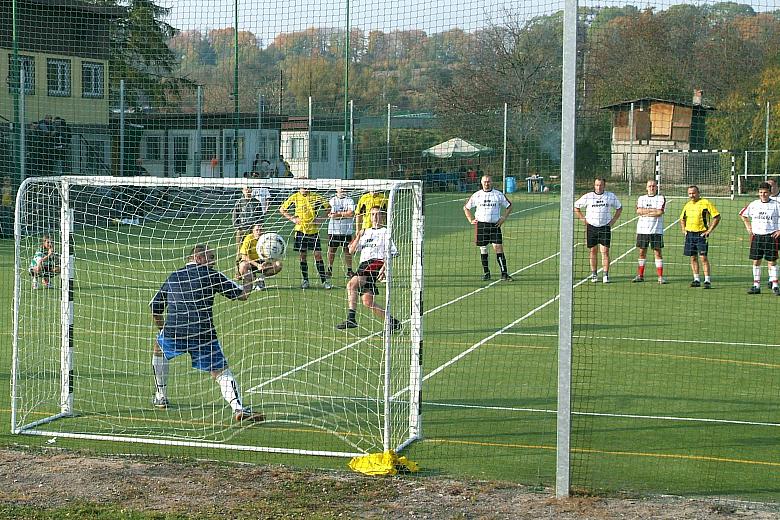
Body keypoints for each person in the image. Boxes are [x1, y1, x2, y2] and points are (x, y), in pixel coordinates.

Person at [149, 244, 263, 422]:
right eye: (211, 257)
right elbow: (242, 294)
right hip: (202, 332)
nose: (214, 261)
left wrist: (162, 329)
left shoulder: (173, 276)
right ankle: (238, 408)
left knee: (159, 349)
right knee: (220, 371)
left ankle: (160, 396)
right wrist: (248, 275)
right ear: (198, 258)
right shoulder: (212, 275)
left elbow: (155, 307)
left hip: (174, 330)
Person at [336, 206, 402, 331]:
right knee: (367, 301)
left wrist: (384, 267)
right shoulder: (365, 232)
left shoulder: (385, 232)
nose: (375, 217)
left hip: (375, 263)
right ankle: (393, 322)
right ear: (369, 217)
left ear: (382, 216)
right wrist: (358, 236)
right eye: (372, 214)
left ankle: (351, 319)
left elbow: (392, 252)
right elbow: (351, 250)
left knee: (351, 285)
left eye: (377, 214)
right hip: (364, 264)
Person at [463, 175, 513, 281]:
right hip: (481, 225)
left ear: (492, 182)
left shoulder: (498, 195)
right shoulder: (477, 195)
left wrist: (503, 217)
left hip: (495, 225)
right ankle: (486, 273)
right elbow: (466, 208)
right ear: (481, 183)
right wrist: (470, 220)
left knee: (498, 248)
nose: (487, 183)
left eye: (489, 181)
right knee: (483, 249)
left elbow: (509, 206)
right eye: (485, 182)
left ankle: (504, 273)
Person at [279, 186, 332, 289]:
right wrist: (292, 219)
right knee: (302, 256)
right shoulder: (294, 197)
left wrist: (321, 219)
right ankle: (305, 280)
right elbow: (282, 209)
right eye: (303, 187)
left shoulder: (316, 197)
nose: (305, 189)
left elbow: (329, 208)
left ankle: (324, 281)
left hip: (313, 231)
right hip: (300, 231)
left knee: (318, 255)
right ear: (299, 187)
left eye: (306, 187)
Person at [574, 177, 622, 283]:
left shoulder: (610, 196)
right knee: (593, 251)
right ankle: (594, 274)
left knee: (605, 251)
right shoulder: (588, 196)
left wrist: (613, 220)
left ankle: (605, 275)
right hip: (591, 227)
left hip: (605, 227)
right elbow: (576, 207)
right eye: (596, 185)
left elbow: (619, 208)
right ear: (594, 185)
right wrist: (583, 219)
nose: (598, 187)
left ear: (604, 185)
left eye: (600, 185)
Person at [739, 182, 780, 295]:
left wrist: (779, 230)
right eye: (761, 192)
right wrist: (748, 226)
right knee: (756, 261)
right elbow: (742, 214)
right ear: (758, 193)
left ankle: (775, 285)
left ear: (770, 192)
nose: (763, 194)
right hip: (757, 237)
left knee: (772, 261)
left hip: (770, 237)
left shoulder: (776, 204)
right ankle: (756, 285)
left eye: (765, 192)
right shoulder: (754, 204)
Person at [679, 185, 720, 289]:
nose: (692, 195)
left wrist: (709, 230)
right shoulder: (687, 205)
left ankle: (707, 280)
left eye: (694, 193)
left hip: (701, 234)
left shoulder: (705, 203)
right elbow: (682, 218)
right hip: (690, 235)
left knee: (703, 258)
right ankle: (696, 279)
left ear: (698, 193)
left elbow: (717, 217)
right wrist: (684, 229)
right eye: (690, 193)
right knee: (693, 257)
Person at [633, 179, 667, 284]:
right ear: (646, 187)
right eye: (649, 186)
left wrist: (645, 212)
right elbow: (638, 211)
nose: (651, 188)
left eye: (653, 186)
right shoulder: (641, 198)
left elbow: (659, 212)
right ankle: (640, 275)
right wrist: (652, 211)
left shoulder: (660, 198)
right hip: (642, 230)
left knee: (657, 252)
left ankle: (660, 277)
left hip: (656, 230)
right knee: (642, 252)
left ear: (656, 187)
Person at [238, 223, 283, 291]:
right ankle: (249, 283)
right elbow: (243, 256)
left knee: (278, 265)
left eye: (261, 230)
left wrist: (266, 262)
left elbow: (274, 255)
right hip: (251, 262)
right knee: (242, 265)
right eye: (257, 230)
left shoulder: (268, 239)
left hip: (263, 262)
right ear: (253, 231)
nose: (259, 232)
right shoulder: (248, 238)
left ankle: (260, 279)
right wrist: (257, 265)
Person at [232, 186, 264, 276]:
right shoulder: (239, 203)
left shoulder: (256, 202)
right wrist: (239, 228)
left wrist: (257, 229)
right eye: (246, 189)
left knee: (254, 251)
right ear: (242, 190)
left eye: (249, 188)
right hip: (242, 231)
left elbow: (260, 217)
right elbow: (235, 218)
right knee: (240, 252)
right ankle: (238, 273)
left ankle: (253, 272)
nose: (248, 190)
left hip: (253, 232)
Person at [327, 187, 356, 280]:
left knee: (347, 251)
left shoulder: (350, 200)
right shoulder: (332, 201)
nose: (343, 190)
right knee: (331, 250)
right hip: (334, 230)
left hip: (346, 230)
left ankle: (349, 270)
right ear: (337, 189)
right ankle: (329, 269)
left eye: (344, 188)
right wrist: (344, 214)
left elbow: (351, 214)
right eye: (341, 188)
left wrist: (338, 214)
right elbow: (331, 215)